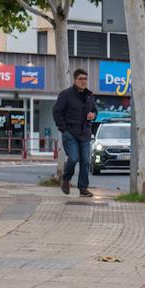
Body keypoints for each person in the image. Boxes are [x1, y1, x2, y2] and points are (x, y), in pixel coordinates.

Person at [52, 68, 97, 196]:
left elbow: (95, 111)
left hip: (85, 133)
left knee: (86, 161)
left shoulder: (89, 96)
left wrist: (93, 115)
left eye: (85, 79)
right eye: (80, 79)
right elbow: (57, 112)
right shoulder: (65, 94)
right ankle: (66, 179)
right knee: (73, 158)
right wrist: (63, 129)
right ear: (75, 80)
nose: (83, 81)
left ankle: (83, 188)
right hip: (70, 133)